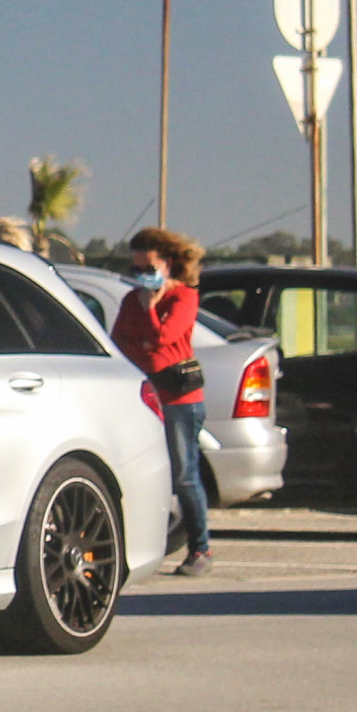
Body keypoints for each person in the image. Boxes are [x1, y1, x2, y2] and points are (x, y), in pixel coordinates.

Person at [113, 225, 211, 576]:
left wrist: (152, 309)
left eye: (149, 268)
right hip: (144, 398)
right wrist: (145, 342)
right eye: (136, 269)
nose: (142, 276)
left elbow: (165, 337)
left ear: (167, 265)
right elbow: (119, 342)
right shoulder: (129, 301)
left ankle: (201, 549)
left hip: (179, 397)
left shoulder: (183, 297)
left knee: (184, 475)